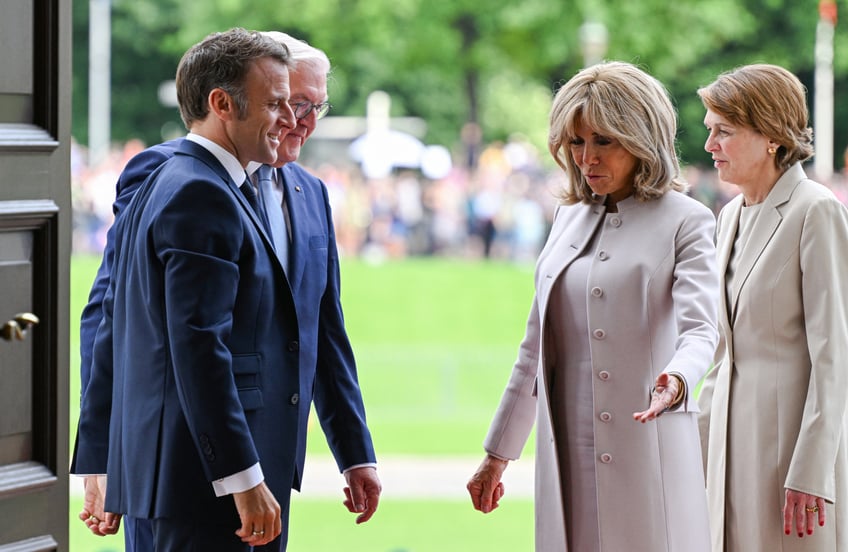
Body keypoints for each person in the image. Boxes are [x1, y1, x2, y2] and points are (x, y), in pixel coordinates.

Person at [72, 28, 379, 551]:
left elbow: (319, 331)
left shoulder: (310, 193)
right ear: (225, 103)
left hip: (263, 467)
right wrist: (104, 453)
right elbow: (121, 319)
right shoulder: (182, 180)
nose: (296, 121)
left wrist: (354, 452)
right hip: (197, 472)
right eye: (285, 102)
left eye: (312, 108)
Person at [466, 61, 718, 551]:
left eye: (603, 141)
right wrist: (497, 454)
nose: (586, 158)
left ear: (642, 137)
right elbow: (532, 350)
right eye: (576, 142)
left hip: (649, 445)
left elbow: (701, 329)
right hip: (567, 452)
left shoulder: (687, 221)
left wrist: (679, 378)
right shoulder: (565, 220)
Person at [697, 64, 848, 552]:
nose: (709, 146)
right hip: (727, 460)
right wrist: (694, 452)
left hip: (791, 466)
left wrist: (812, 469)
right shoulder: (728, 218)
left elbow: (835, 356)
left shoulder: (816, 210)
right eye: (709, 131)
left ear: (769, 136)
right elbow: (726, 358)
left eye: (723, 131)